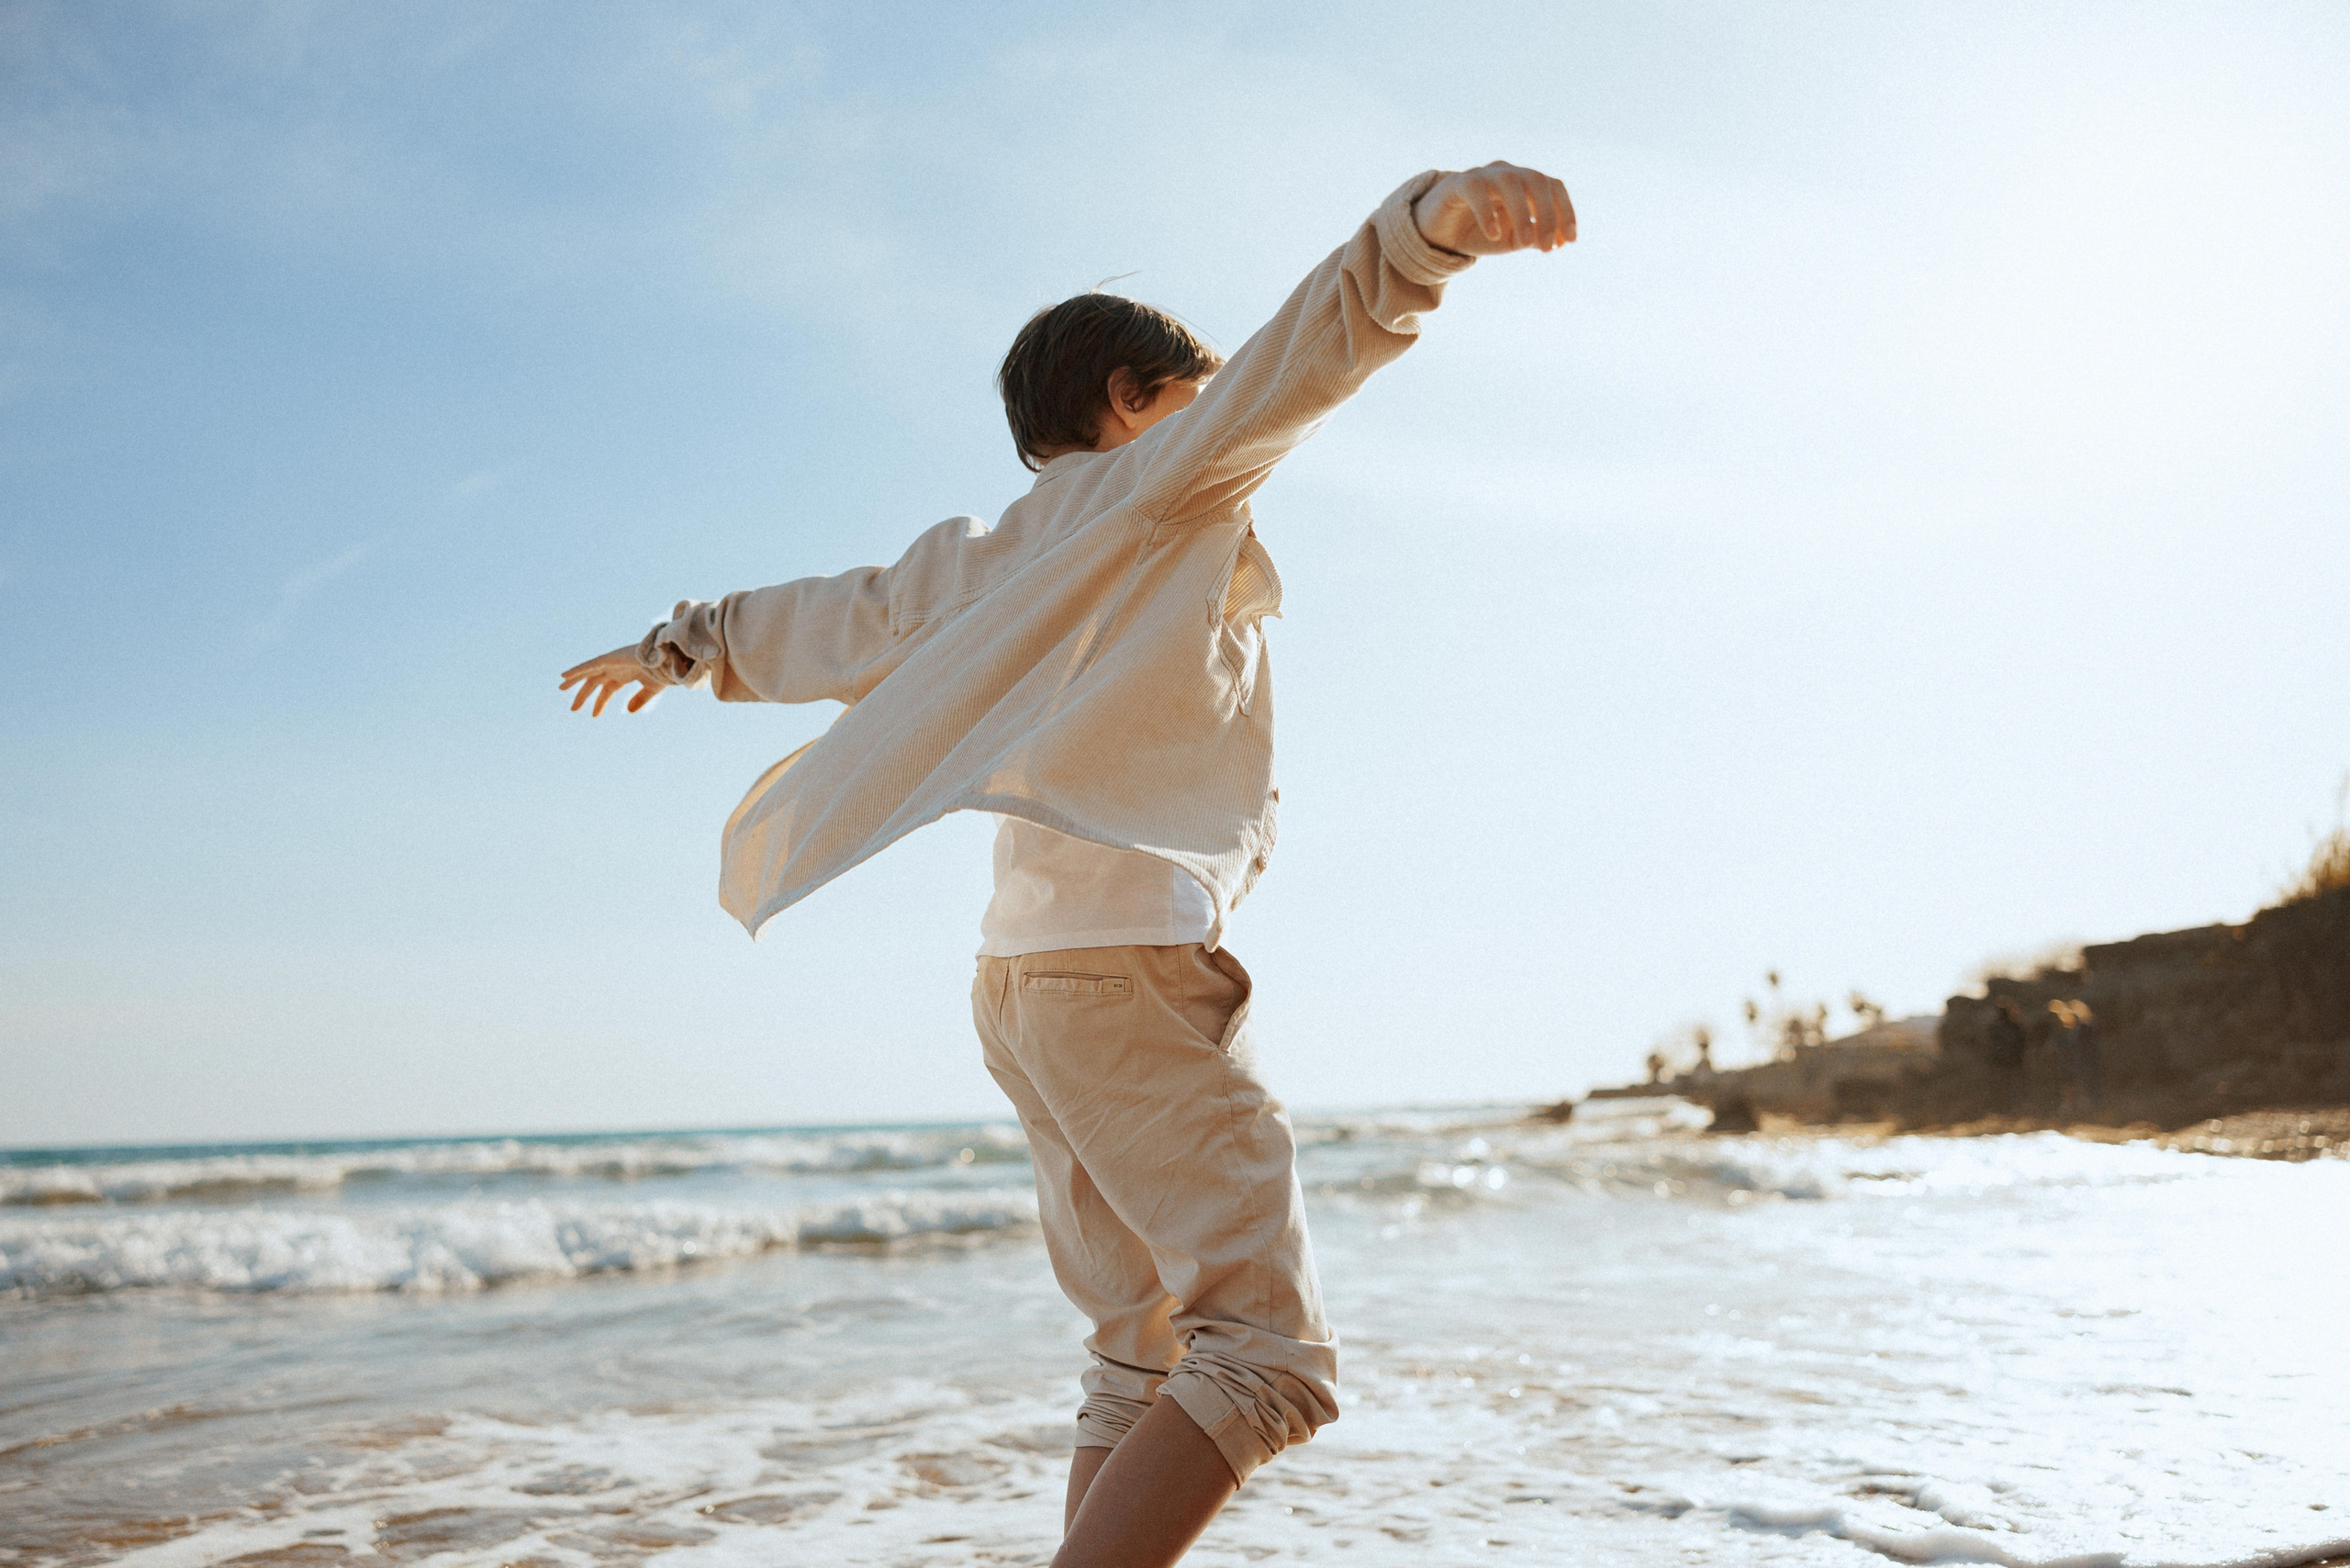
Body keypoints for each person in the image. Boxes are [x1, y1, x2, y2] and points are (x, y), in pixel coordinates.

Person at [558, 162, 1577, 1568]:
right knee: (1270, 1355)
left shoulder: (992, 557)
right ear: (1128, 399)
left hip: (1020, 993)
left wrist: (685, 644)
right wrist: (1423, 237)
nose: (1217, 415)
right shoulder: (1170, 482)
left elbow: (843, 617)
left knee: (1143, 1351)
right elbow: (1305, 358)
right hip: (1125, 971)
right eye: (1191, 391)